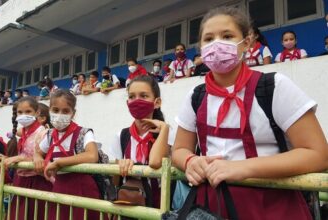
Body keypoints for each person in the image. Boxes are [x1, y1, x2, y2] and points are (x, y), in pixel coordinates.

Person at [171, 6, 327, 220]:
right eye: (208, 39)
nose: (216, 44)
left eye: (227, 36)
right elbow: (179, 149)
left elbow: (318, 154)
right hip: (211, 209)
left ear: (247, 42)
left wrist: (241, 168)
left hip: (274, 208)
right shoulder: (195, 96)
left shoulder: (274, 86)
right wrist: (190, 161)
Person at [33, 90, 102, 219]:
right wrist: (37, 158)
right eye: (55, 110)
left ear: (73, 113)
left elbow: (92, 156)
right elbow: (38, 153)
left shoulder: (84, 133)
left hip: (82, 189)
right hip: (59, 186)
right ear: (49, 111)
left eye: (65, 111)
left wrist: (59, 162)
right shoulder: (49, 135)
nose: (60, 115)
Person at [109, 75, 170, 208]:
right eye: (132, 97)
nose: (137, 101)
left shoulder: (166, 134)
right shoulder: (121, 136)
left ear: (157, 102)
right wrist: (121, 166)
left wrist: (164, 129)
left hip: (157, 207)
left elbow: (155, 162)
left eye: (143, 96)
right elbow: (115, 180)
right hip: (127, 205)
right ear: (127, 103)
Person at [0, 97, 52, 220]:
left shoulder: (44, 133)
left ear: (37, 113)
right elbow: (25, 154)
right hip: (21, 180)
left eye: (28, 112)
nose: (23, 115)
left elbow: (43, 160)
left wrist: (17, 158)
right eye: (20, 112)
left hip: (37, 182)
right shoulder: (24, 133)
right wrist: (7, 158)